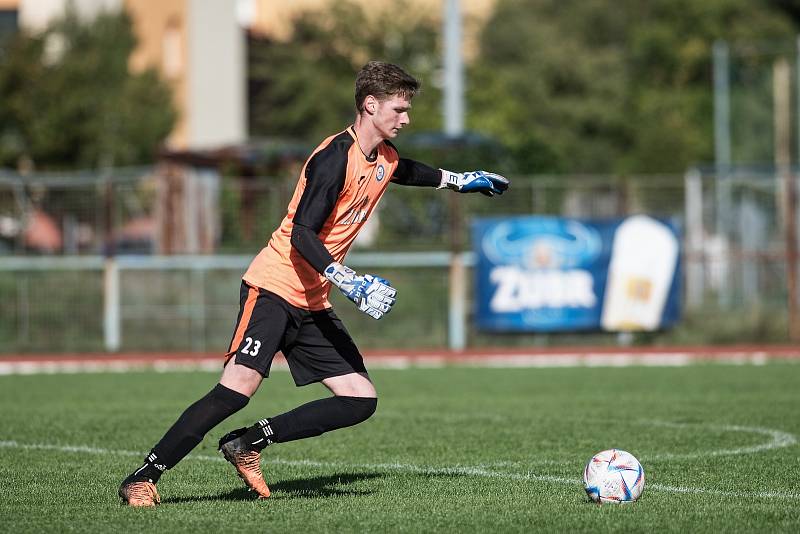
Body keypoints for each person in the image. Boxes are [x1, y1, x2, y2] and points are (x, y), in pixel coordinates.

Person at [119, 60, 509, 506]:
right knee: (236, 389)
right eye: (399, 109)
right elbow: (303, 232)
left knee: (360, 398)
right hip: (274, 287)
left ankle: (247, 444)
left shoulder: (383, 157)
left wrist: (461, 180)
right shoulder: (331, 160)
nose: (406, 118)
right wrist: (345, 277)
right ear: (370, 104)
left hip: (313, 299)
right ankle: (142, 478)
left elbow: (407, 171)